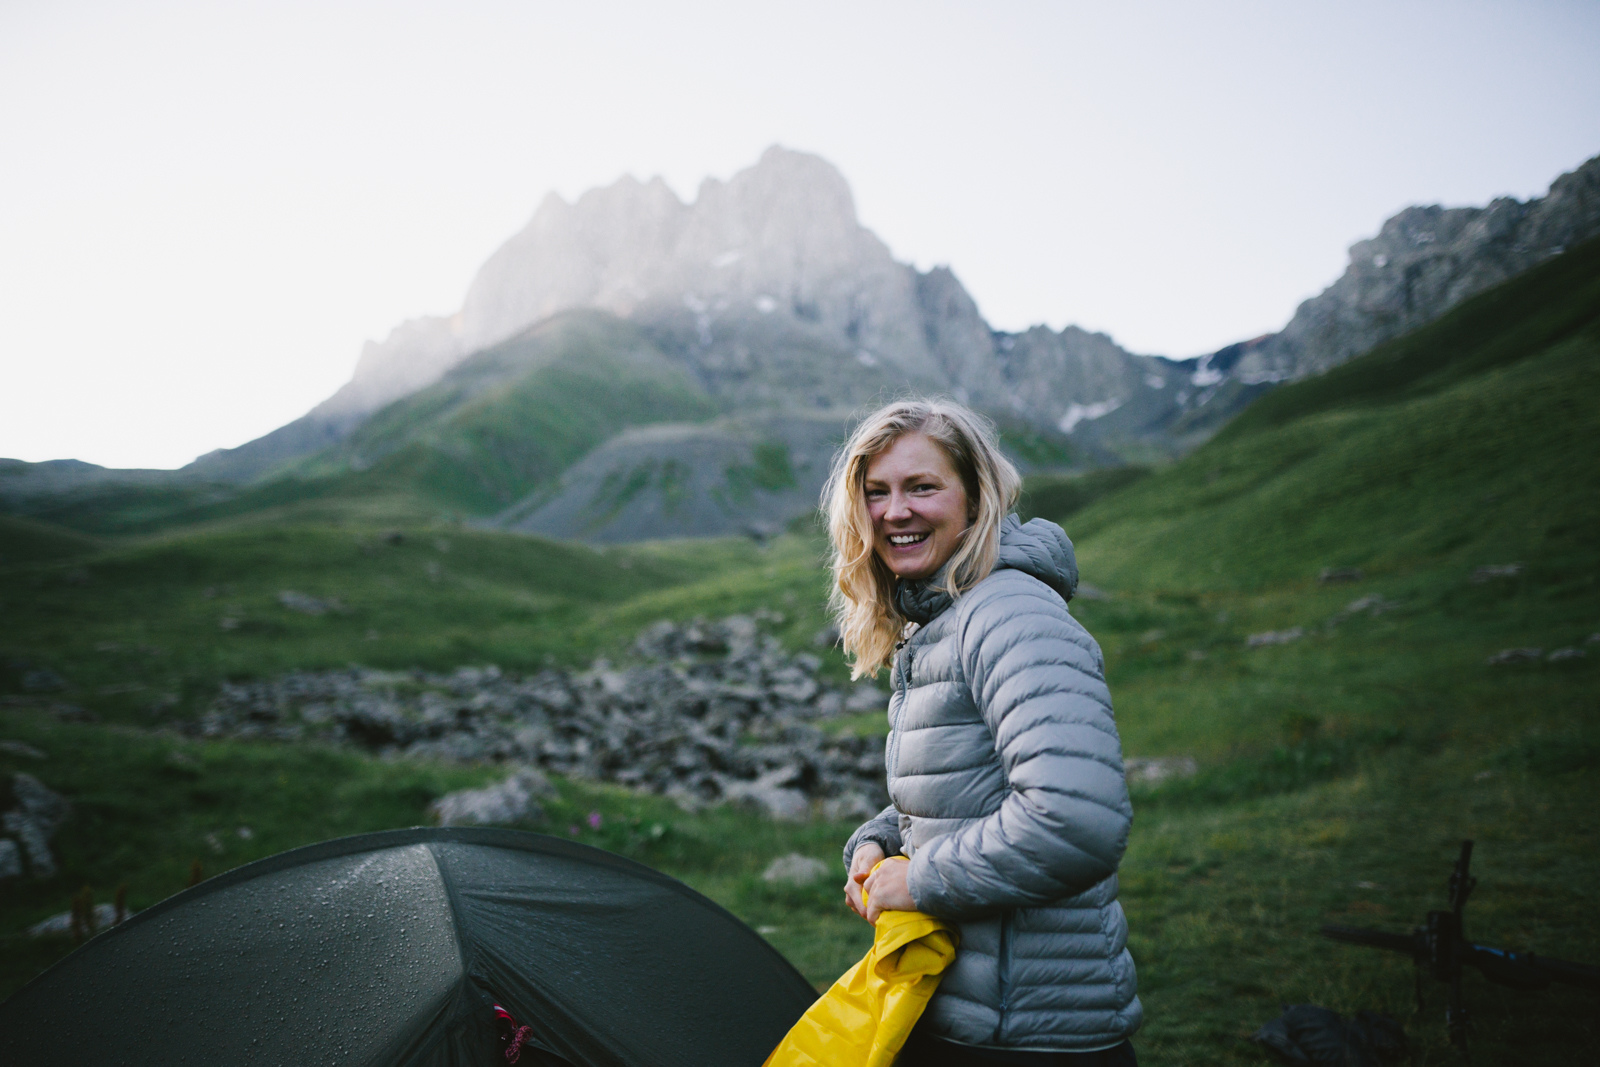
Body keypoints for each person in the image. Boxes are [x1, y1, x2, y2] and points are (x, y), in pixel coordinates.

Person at [824, 399, 1141, 1066]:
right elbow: (973, 783)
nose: (894, 511)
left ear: (975, 498)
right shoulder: (946, 618)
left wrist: (919, 879)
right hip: (972, 1011)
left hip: (1028, 1033)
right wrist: (883, 838)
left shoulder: (1010, 614)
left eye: (922, 486)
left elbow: (1076, 822)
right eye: (876, 492)